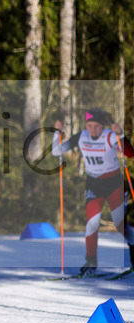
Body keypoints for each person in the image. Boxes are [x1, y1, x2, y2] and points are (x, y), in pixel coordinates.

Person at [53, 109, 134, 276]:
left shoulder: (110, 136)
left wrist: (120, 135)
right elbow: (57, 151)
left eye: (96, 126)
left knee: (120, 226)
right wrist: (57, 133)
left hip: (114, 185)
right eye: (89, 125)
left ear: (102, 125)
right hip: (93, 184)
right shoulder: (81, 136)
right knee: (92, 223)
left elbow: (130, 153)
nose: (93, 129)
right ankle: (90, 262)